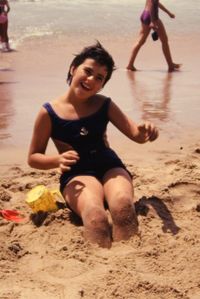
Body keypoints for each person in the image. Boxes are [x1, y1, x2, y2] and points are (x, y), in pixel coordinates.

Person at [28, 42, 159, 248]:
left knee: (123, 206)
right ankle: (104, 259)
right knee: (96, 217)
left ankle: (129, 257)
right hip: (78, 175)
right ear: (73, 68)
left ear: (103, 84)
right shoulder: (48, 113)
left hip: (109, 166)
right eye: (87, 71)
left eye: (99, 78)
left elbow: (136, 135)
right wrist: (56, 160)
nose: (91, 80)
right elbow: (33, 157)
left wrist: (147, 131)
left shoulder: (103, 104)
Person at [126, 0, 181, 72]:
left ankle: (130, 64)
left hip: (145, 14)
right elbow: (152, 4)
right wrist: (152, 21)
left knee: (140, 41)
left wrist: (168, 13)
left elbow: (156, 2)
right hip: (153, 17)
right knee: (164, 41)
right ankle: (170, 65)